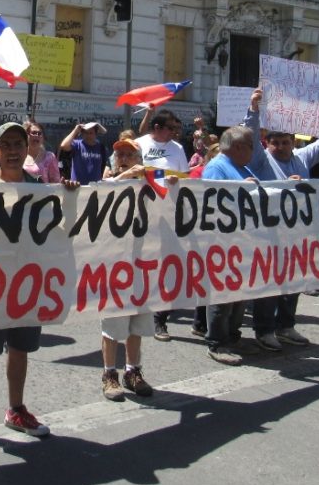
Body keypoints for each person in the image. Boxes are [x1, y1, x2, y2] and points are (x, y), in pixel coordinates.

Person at [0, 121, 77, 452]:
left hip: (27, 283)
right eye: (5, 144)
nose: (11, 150)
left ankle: (16, 410)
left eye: (17, 144)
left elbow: (63, 230)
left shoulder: (41, 188)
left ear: (27, 150)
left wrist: (69, 198)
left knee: (20, 349)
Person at [243, 89, 319, 351]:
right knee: (270, 281)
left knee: (294, 279)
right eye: (276, 143)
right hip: (269, 230)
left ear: (293, 142)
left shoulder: (303, 158)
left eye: (286, 142)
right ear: (268, 144)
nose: (281, 147)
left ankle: (286, 325)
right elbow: (250, 134)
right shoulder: (261, 160)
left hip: (297, 230)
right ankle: (264, 330)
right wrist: (254, 109)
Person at [98, 137, 161, 400]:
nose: (123, 158)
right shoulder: (105, 186)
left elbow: (179, 188)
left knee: (139, 320)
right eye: (119, 154)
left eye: (129, 154)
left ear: (139, 161)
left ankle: (133, 371)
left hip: (144, 263)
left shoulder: (151, 185)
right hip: (115, 265)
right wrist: (124, 178)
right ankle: (109, 374)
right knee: (113, 322)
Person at [199, 126, 260, 365]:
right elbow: (212, 202)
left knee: (239, 294)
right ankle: (216, 342)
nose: (254, 151)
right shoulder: (216, 167)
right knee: (223, 293)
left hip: (242, 240)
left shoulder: (241, 167)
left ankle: (233, 337)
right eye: (251, 146)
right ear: (238, 147)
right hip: (222, 241)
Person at [138, 111, 189, 341]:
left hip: (167, 214)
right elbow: (126, 170)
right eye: (170, 128)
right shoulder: (138, 145)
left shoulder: (177, 148)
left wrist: (177, 180)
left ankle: (160, 319)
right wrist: (159, 177)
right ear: (157, 127)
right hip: (139, 213)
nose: (174, 132)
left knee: (166, 264)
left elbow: (186, 176)